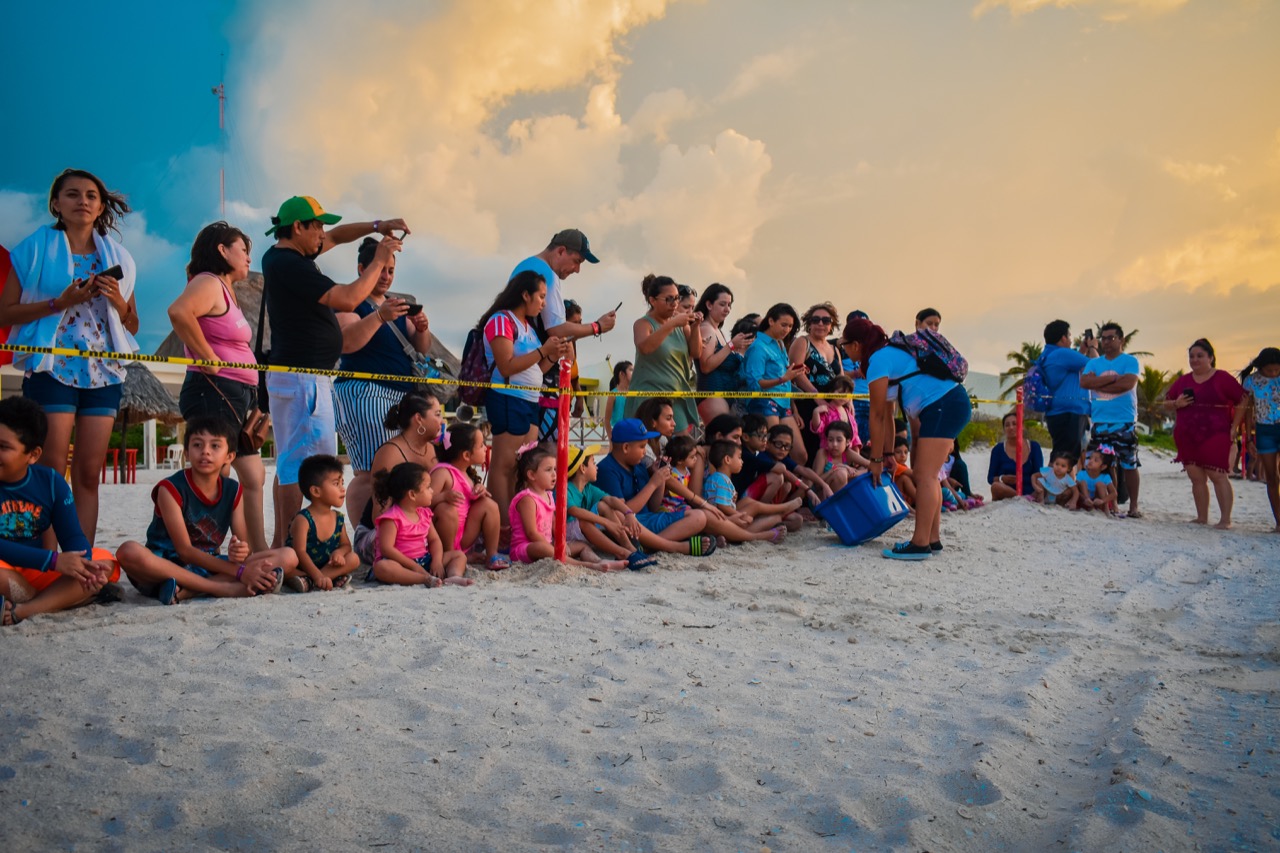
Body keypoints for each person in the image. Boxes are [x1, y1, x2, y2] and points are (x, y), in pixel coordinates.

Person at [1, 169, 141, 543]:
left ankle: (83, 559)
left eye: (92, 195)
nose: (83, 201)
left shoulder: (120, 258)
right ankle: (50, 564)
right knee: (49, 469)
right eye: (73, 194)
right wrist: (57, 303)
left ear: (100, 206)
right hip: (52, 368)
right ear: (56, 204)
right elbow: (5, 312)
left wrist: (116, 301)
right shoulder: (32, 249)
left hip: (104, 372)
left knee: (88, 473)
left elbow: (134, 323)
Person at [260, 195, 407, 548]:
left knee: (295, 465)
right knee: (306, 467)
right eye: (317, 226)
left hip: (301, 377)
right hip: (302, 379)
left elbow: (339, 236)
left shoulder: (284, 255)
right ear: (298, 227)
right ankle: (294, 547)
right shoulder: (290, 264)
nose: (322, 234)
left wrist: (377, 226)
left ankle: (289, 543)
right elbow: (347, 297)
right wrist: (380, 259)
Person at [117, 417, 297, 603]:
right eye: (197, 445)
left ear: (230, 456)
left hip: (208, 565)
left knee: (288, 556)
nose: (205, 452)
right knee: (127, 551)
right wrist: (240, 572)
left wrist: (239, 551)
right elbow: (185, 551)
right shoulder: (170, 489)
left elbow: (245, 546)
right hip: (164, 566)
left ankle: (188, 591)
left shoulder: (233, 490)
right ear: (186, 453)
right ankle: (220, 588)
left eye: (215, 446)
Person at [169, 221, 269, 552]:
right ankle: (201, 549)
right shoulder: (208, 282)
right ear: (223, 251)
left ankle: (258, 551)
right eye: (243, 251)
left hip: (237, 394)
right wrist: (207, 354)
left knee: (253, 478)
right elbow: (179, 312)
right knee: (214, 475)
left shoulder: (225, 290)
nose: (248, 259)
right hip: (214, 390)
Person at [841, 317, 972, 560]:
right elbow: (889, 415)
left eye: (844, 345)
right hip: (946, 405)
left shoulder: (878, 360)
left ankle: (920, 544)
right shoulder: (889, 354)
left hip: (944, 406)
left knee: (925, 476)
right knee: (925, 475)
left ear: (856, 345)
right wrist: (888, 455)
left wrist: (876, 460)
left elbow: (877, 415)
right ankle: (931, 539)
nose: (844, 351)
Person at [333, 236, 431, 523]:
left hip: (402, 395)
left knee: (403, 467)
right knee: (371, 470)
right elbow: (347, 342)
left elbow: (420, 349)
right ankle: (367, 535)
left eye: (391, 270)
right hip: (365, 391)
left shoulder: (396, 305)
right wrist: (380, 317)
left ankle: (394, 532)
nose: (386, 276)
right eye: (380, 269)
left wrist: (423, 329)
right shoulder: (349, 301)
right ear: (363, 268)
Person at [0, 397, 119, 626]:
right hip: (7, 568)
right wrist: (53, 560)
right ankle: (58, 599)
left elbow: (72, 536)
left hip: (35, 571)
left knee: (105, 562)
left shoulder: (51, 483)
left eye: (3, 447)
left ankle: (24, 608)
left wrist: (85, 564)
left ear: (33, 455)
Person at [476, 270, 570, 542]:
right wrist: (543, 351)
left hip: (529, 398)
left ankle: (515, 527)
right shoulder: (501, 320)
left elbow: (535, 369)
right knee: (504, 464)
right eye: (541, 296)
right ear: (525, 294)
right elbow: (506, 365)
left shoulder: (527, 326)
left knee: (520, 464)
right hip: (507, 397)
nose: (543, 303)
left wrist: (552, 355)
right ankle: (501, 530)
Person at [510, 229, 616, 443]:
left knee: (517, 458)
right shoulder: (547, 274)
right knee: (543, 456)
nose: (577, 270)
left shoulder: (525, 265)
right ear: (560, 251)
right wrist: (597, 327)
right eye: (576, 261)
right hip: (535, 380)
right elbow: (556, 329)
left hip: (518, 373)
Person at [596, 419, 717, 556]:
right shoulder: (607, 470)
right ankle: (673, 546)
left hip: (647, 522)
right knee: (618, 514)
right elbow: (624, 511)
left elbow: (653, 507)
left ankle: (649, 547)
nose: (644, 452)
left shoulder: (639, 466)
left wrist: (660, 480)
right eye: (642, 447)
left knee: (698, 517)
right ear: (625, 448)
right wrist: (653, 483)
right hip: (629, 524)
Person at [354, 392, 446, 564]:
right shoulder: (391, 452)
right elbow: (379, 514)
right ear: (419, 418)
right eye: (437, 414)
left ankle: (438, 557)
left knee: (449, 509)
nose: (442, 421)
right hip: (385, 531)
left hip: (419, 525)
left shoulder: (433, 449)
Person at [1163, 339, 1244, 529]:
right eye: (1191, 356)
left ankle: (1225, 520)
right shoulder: (1183, 380)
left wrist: (1235, 427)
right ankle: (1202, 517)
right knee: (1196, 477)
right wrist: (1177, 403)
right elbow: (1166, 402)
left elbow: (1243, 399)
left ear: (1211, 357)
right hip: (1187, 435)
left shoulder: (1222, 377)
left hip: (1215, 433)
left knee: (1217, 475)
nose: (1195, 360)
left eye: (1200, 356)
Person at [509, 445, 627, 570]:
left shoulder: (548, 495)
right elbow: (531, 533)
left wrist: (561, 543)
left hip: (547, 545)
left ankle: (598, 561)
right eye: (548, 470)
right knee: (542, 548)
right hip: (526, 548)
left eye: (555, 469)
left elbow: (554, 523)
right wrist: (554, 548)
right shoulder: (527, 499)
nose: (554, 474)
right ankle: (588, 565)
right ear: (532, 475)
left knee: (581, 546)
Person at [564, 445, 685, 564]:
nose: (597, 467)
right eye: (593, 463)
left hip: (582, 533)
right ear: (583, 468)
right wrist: (606, 522)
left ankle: (630, 548)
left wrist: (629, 513)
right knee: (584, 522)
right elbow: (574, 511)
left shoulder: (588, 488)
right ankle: (622, 552)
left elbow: (611, 499)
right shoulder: (567, 488)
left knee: (604, 506)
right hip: (569, 534)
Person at [370, 462, 471, 586]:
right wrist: (413, 566)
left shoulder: (425, 514)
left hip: (424, 560)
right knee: (382, 567)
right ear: (412, 494)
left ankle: (454, 575)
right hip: (401, 564)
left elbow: (435, 540)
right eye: (428, 487)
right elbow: (387, 549)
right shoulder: (391, 518)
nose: (432, 491)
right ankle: (423, 579)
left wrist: (437, 561)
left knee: (459, 556)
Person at [623, 274, 701, 433]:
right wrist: (671, 324)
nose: (674, 304)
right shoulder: (643, 324)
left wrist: (695, 327)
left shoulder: (680, 323)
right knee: (647, 445)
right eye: (669, 299)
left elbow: (696, 352)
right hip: (648, 397)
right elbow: (645, 348)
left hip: (675, 395)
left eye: (677, 298)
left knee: (682, 446)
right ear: (652, 301)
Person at [1080, 322, 1143, 518]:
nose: (1106, 342)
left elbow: (1126, 384)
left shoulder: (1129, 361)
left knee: (1129, 464)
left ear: (1121, 340)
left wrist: (1100, 383)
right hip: (1100, 421)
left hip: (1123, 420)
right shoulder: (1094, 363)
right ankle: (1112, 504)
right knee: (1105, 464)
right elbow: (1085, 382)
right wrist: (1113, 380)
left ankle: (1133, 505)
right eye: (1103, 338)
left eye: (1111, 338)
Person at [430, 423, 506, 571]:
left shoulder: (466, 474)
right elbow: (423, 503)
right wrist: (443, 496)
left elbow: (469, 505)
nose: (485, 448)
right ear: (466, 455)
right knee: (446, 510)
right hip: (442, 539)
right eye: (481, 445)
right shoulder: (443, 473)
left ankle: (492, 554)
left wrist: (479, 493)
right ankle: (450, 555)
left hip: (463, 535)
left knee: (488, 504)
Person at [284, 454, 360, 592]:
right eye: (336, 484)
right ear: (316, 491)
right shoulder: (303, 519)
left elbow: (346, 545)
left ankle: (312, 581)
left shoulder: (338, 518)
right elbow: (300, 553)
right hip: (302, 566)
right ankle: (320, 578)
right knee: (286, 567)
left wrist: (339, 553)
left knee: (354, 558)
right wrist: (317, 575)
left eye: (342, 482)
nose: (342, 488)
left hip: (326, 566)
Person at [742, 303, 806, 462]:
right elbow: (754, 384)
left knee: (800, 455)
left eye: (790, 326)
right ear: (770, 321)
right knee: (773, 454)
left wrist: (795, 409)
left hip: (784, 403)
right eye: (783, 325)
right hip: (764, 402)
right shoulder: (758, 346)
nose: (787, 330)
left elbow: (787, 381)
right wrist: (783, 378)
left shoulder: (781, 344)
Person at [789, 303, 843, 465]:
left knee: (828, 452)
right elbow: (796, 374)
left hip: (831, 407)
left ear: (831, 325)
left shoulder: (835, 349)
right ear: (809, 323)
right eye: (816, 320)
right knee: (809, 450)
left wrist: (849, 401)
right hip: (807, 403)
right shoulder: (802, 342)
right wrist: (816, 396)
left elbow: (842, 379)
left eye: (826, 320)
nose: (820, 324)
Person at [703, 440, 789, 539]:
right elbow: (722, 506)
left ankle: (724, 537)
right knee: (765, 514)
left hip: (719, 520)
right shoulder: (722, 480)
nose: (742, 461)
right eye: (739, 457)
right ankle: (781, 510)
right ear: (727, 459)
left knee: (770, 515)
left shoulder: (715, 477)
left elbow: (719, 501)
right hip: (722, 520)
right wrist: (740, 515)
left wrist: (732, 500)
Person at [1040, 320, 1098, 464]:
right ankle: (1049, 486)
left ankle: (1052, 485)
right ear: (1063, 338)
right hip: (1069, 413)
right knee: (1065, 458)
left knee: (1061, 455)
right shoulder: (1062, 354)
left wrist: (1083, 349)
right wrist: (1092, 347)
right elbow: (1097, 364)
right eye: (1069, 336)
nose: (1071, 340)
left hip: (1057, 413)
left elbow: (1071, 366)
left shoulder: (1050, 353)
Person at [1234, 347, 1280, 531]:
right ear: (1260, 367)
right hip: (1264, 430)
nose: (1274, 374)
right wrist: (1248, 438)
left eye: (1277, 370)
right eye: (1270, 370)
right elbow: (1247, 409)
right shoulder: (1251, 381)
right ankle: (1279, 521)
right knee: (1271, 477)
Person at [695, 283, 750, 424]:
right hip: (713, 394)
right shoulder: (706, 329)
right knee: (722, 440)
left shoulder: (717, 331)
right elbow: (706, 366)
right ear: (709, 305)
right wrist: (731, 345)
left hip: (725, 396)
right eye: (722, 304)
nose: (727, 309)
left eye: (729, 305)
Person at [987, 411, 1044, 500]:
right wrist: (1002, 479)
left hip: (1030, 491)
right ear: (1004, 429)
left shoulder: (1034, 447)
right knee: (995, 487)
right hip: (1006, 491)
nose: (1011, 427)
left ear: (1022, 426)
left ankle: (1024, 498)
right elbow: (990, 478)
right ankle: (1021, 498)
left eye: (1015, 424)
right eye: (1007, 425)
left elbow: (1039, 474)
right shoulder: (998, 449)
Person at [812, 421, 868, 493]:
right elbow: (816, 484)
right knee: (841, 474)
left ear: (847, 442)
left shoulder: (847, 453)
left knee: (862, 468)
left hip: (841, 492)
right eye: (830, 440)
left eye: (839, 440)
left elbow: (870, 465)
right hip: (821, 496)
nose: (834, 444)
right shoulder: (822, 453)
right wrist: (835, 469)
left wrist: (855, 473)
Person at [1076, 448, 1117, 513]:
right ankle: (1089, 503)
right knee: (1083, 483)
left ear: (1103, 466)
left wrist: (1103, 500)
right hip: (1084, 501)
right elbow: (1075, 489)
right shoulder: (1081, 473)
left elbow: (1114, 493)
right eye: (1090, 458)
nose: (1091, 461)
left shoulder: (1105, 477)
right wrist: (1084, 498)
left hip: (1098, 502)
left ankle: (1106, 509)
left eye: (1095, 460)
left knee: (1100, 484)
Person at [604, 360, 633, 429]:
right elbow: (607, 420)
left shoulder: (634, 393)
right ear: (622, 374)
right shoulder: (613, 395)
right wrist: (611, 437)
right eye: (631, 370)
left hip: (632, 432)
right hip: (618, 432)